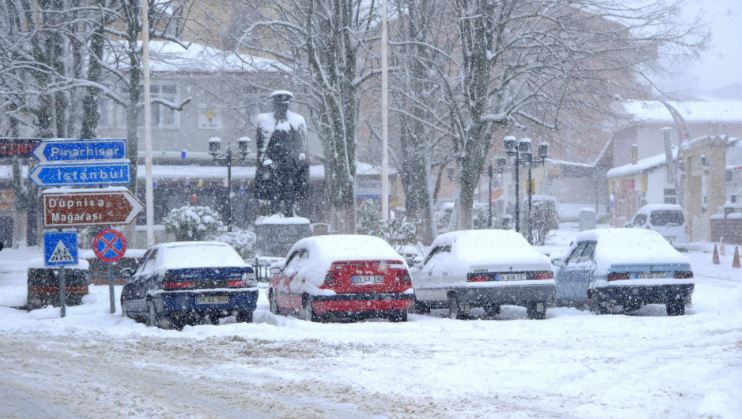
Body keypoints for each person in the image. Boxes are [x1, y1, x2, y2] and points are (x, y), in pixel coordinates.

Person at [254, 91, 310, 216]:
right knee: (275, 192)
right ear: (275, 103)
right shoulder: (264, 121)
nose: (282, 106)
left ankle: (290, 213)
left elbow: (303, 147)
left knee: (290, 191)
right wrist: (267, 161)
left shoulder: (298, 121)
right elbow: (261, 147)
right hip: (273, 166)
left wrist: (299, 159)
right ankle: (275, 214)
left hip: (291, 166)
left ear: (288, 104)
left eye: (284, 103)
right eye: (279, 103)